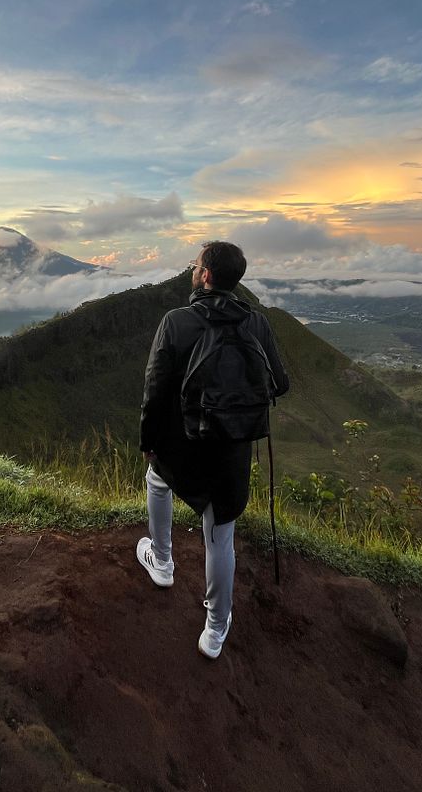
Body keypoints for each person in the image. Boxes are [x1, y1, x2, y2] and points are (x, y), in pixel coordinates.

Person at [137, 241, 289, 659]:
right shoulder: (255, 322)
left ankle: (162, 563)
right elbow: (280, 382)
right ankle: (216, 629)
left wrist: (150, 441)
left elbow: (154, 390)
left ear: (205, 275)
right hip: (232, 449)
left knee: (156, 479)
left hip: (184, 444)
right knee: (221, 534)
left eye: (197, 263)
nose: (194, 268)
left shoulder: (176, 322)